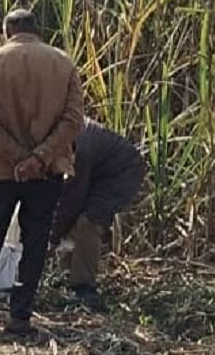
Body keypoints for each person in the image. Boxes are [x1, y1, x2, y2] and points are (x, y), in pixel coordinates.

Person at [0, 9, 84, 335]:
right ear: (38, 30)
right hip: (47, 172)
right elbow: (73, 119)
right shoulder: (64, 63)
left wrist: (18, 158)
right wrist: (39, 158)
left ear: (7, 32)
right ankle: (19, 317)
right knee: (35, 242)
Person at [48, 118, 147, 311]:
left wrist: (52, 236)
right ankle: (67, 275)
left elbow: (72, 198)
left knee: (89, 221)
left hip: (123, 172)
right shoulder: (64, 133)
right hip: (100, 171)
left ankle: (84, 287)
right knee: (73, 220)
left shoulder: (81, 149)